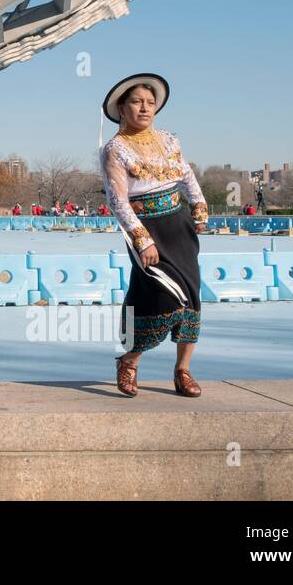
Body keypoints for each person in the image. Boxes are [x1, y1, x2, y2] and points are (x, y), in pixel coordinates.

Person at [99, 73, 207, 399]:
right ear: (121, 108)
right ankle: (129, 360)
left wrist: (199, 205)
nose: (144, 108)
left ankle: (182, 371)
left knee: (190, 296)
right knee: (160, 294)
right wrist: (141, 239)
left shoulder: (169, 140)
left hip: (179, 225)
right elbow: (118, 200)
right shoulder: (114, 149)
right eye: (136, 102)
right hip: (147, 228)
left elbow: (186, 175)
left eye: (149, 102)